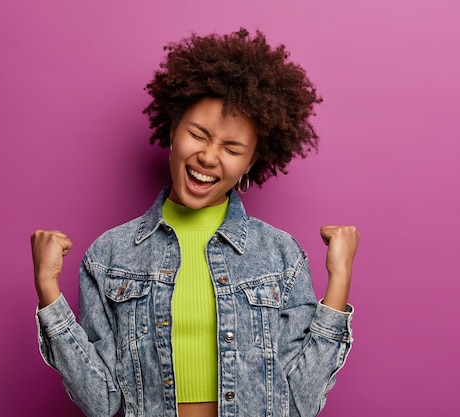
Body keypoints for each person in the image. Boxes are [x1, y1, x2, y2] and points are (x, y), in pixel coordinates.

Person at [31, 28, 360, 417]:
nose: (208, 157)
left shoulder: (280, 255)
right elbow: (100, 402)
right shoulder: (109, 255)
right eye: (198, 135)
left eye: (232, 148)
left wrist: (339, 280)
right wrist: (48, 290)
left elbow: (301, 402)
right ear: (173, 131)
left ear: (250, 163)